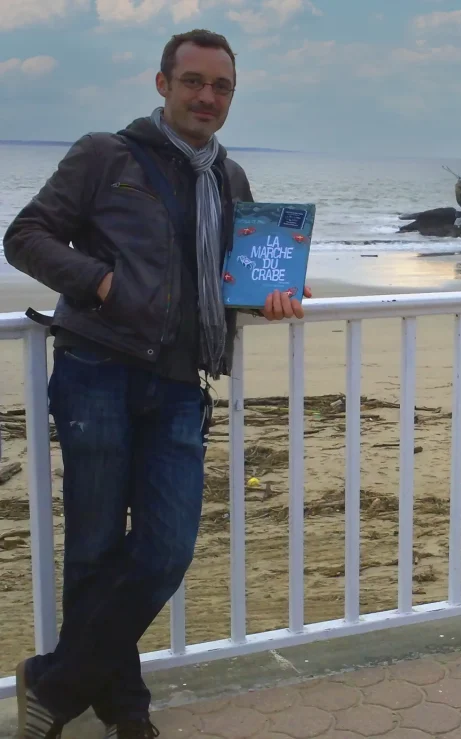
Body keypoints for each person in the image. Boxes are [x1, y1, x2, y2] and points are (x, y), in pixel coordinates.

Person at [3, 29, 310, 739]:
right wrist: (101, 280)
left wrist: (271, 294)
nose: (207, 97)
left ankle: (54, 680)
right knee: (95, 547)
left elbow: (227, 278)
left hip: (180, 381)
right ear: (163, 84)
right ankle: (124, 704)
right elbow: (26, 235)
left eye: (222, 86)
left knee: (166, 548)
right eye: (194, 81)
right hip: (98, 370)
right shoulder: (105, 155)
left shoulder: (230, 179)